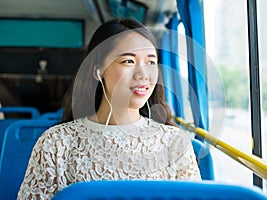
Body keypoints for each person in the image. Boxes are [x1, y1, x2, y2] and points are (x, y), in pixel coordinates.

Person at [17, 18, 201, 200]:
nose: (143, 74)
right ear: (98, 70)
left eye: (151, 62)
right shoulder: (56, 143)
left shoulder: (175, 143)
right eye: (129, 61)